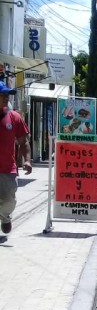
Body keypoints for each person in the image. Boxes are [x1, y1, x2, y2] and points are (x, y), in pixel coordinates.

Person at [0, 81, 32, 240]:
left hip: (7, 169)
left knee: (8, 201)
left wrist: (27, 160)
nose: (6, 98)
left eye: (7, 95)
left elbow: (23, 142)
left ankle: (5, 216)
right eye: (2, 95)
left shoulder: (14, 117)